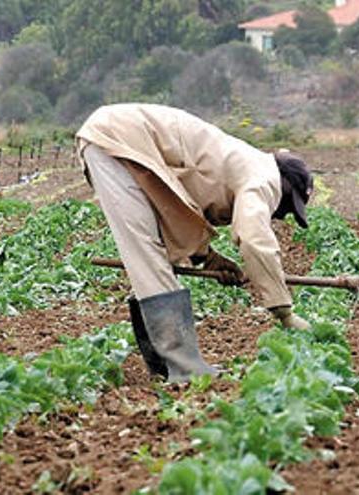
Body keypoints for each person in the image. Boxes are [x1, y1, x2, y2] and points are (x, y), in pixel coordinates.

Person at [76, 103, 313, 383]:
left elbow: (176, 211)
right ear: (286, 186)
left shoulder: (247, 164)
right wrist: (284, 311)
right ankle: (184, 368)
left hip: (122, 137)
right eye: (287, 208)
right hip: (118, 139)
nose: (282, 214)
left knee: (154, 255)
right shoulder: (265, 179)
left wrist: (209, 258)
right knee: (147, 254)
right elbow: (254, 239)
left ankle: (166, 366)